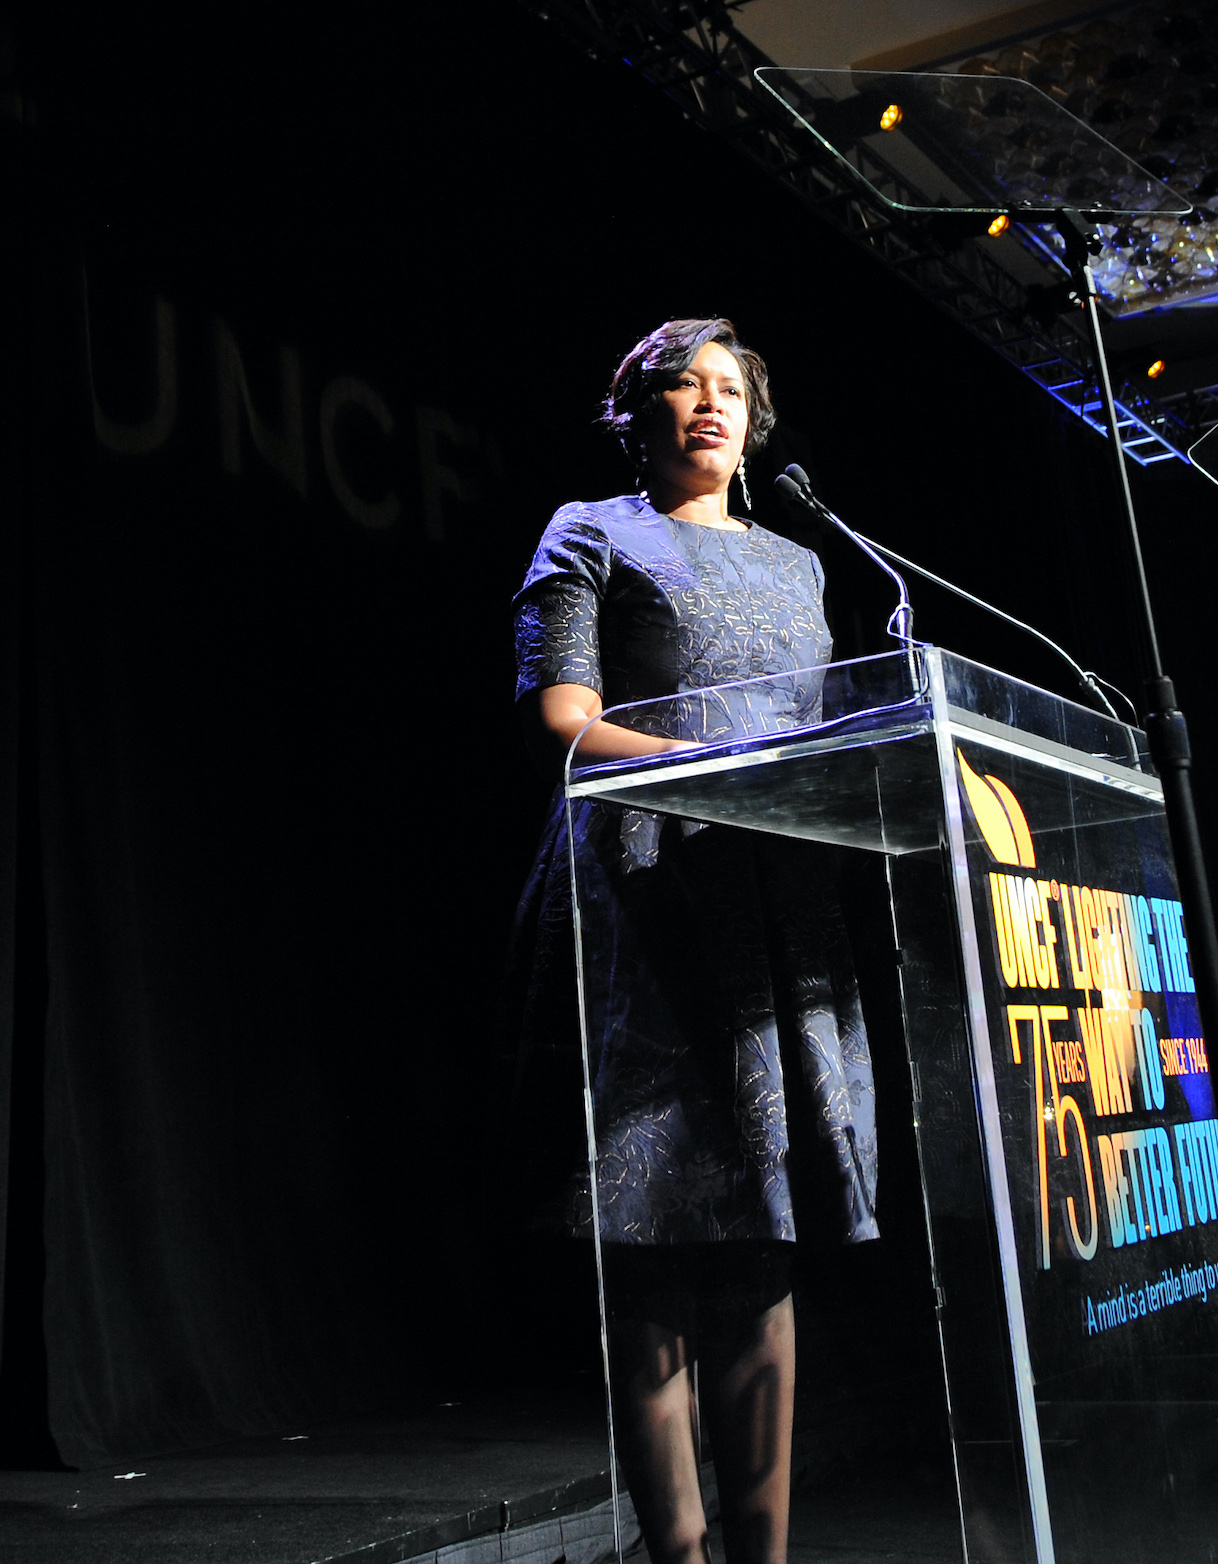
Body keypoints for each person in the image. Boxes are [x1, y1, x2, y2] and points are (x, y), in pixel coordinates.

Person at [506, 319, 878, 1564]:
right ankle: (677, 1551)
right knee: (653, 1239)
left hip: (776, 901)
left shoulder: (800, 562)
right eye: (682, 385)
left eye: (730, 389)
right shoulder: (592, 531)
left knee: (766, 1237)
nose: (710, 405)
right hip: (644, 889)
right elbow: (563, 719)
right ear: (636, 413)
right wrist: (711, 765)